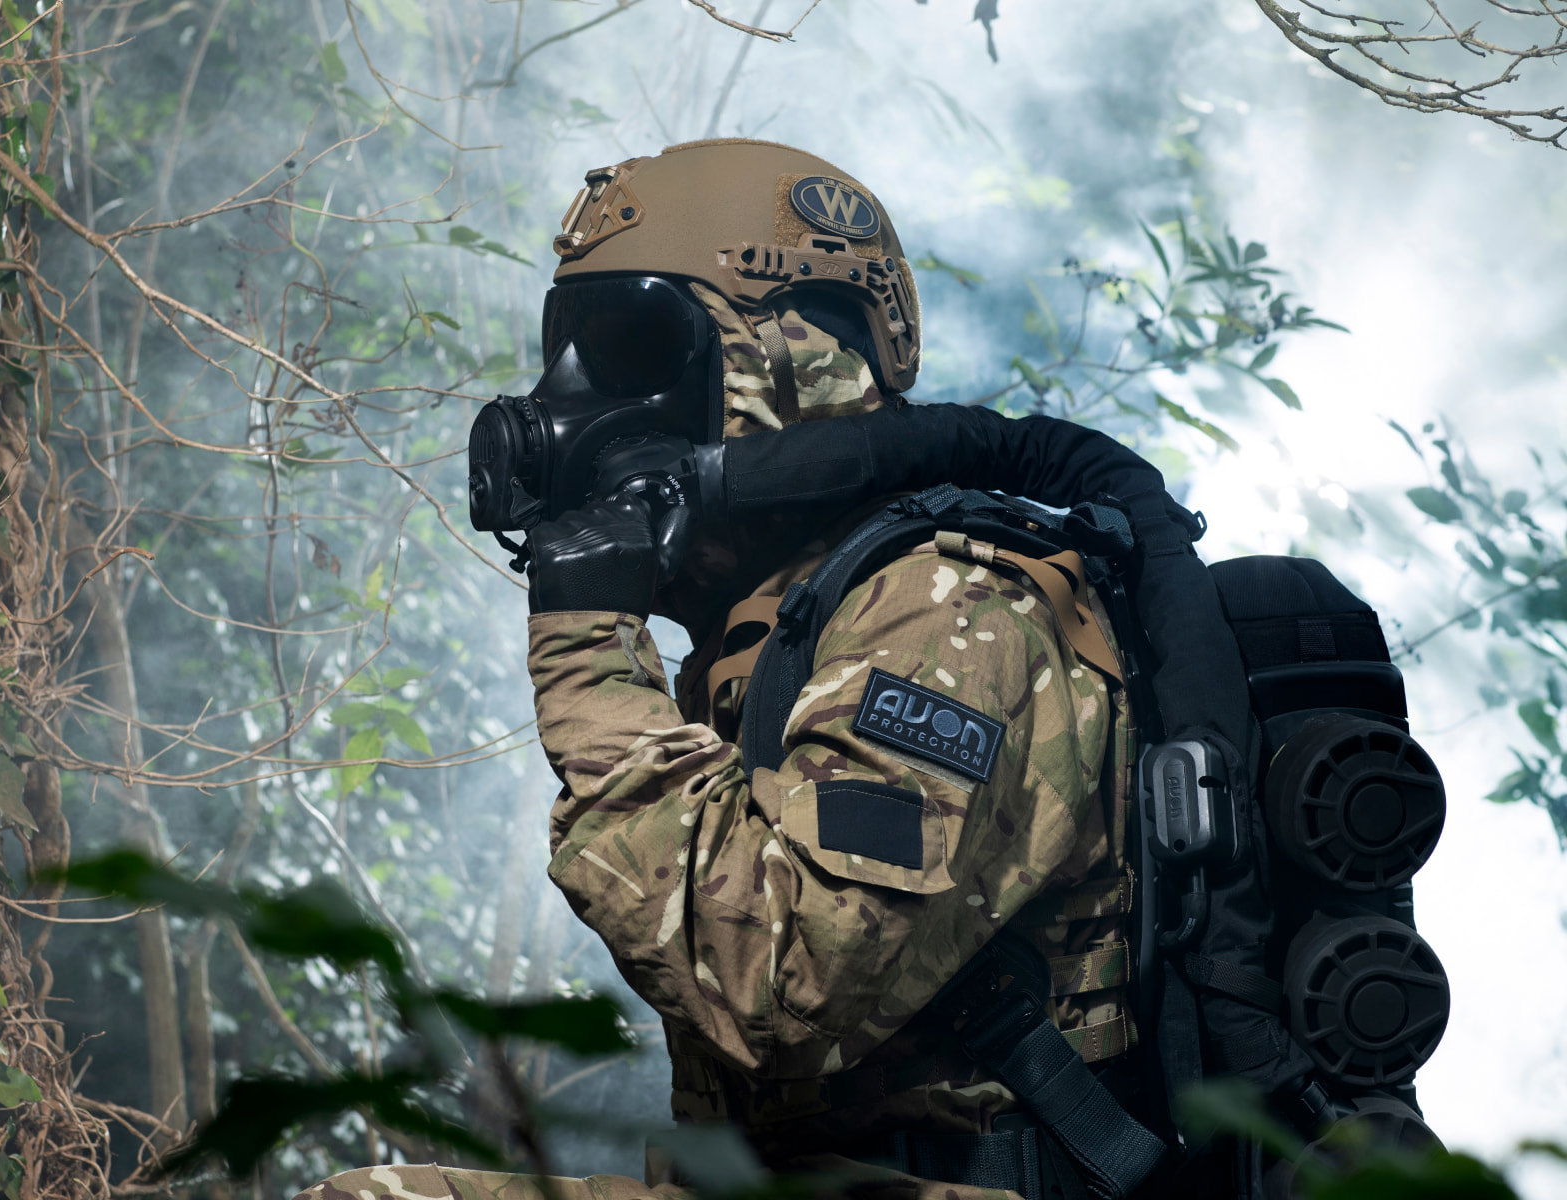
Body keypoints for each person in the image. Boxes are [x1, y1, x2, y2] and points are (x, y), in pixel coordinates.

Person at [302, 139, 1155, 1200]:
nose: (568, 400)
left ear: (790, 363)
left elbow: (779, 984)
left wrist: (586, 654)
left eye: (628, 348)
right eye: (568, 351)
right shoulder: (786, 624)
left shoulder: (947, 611)